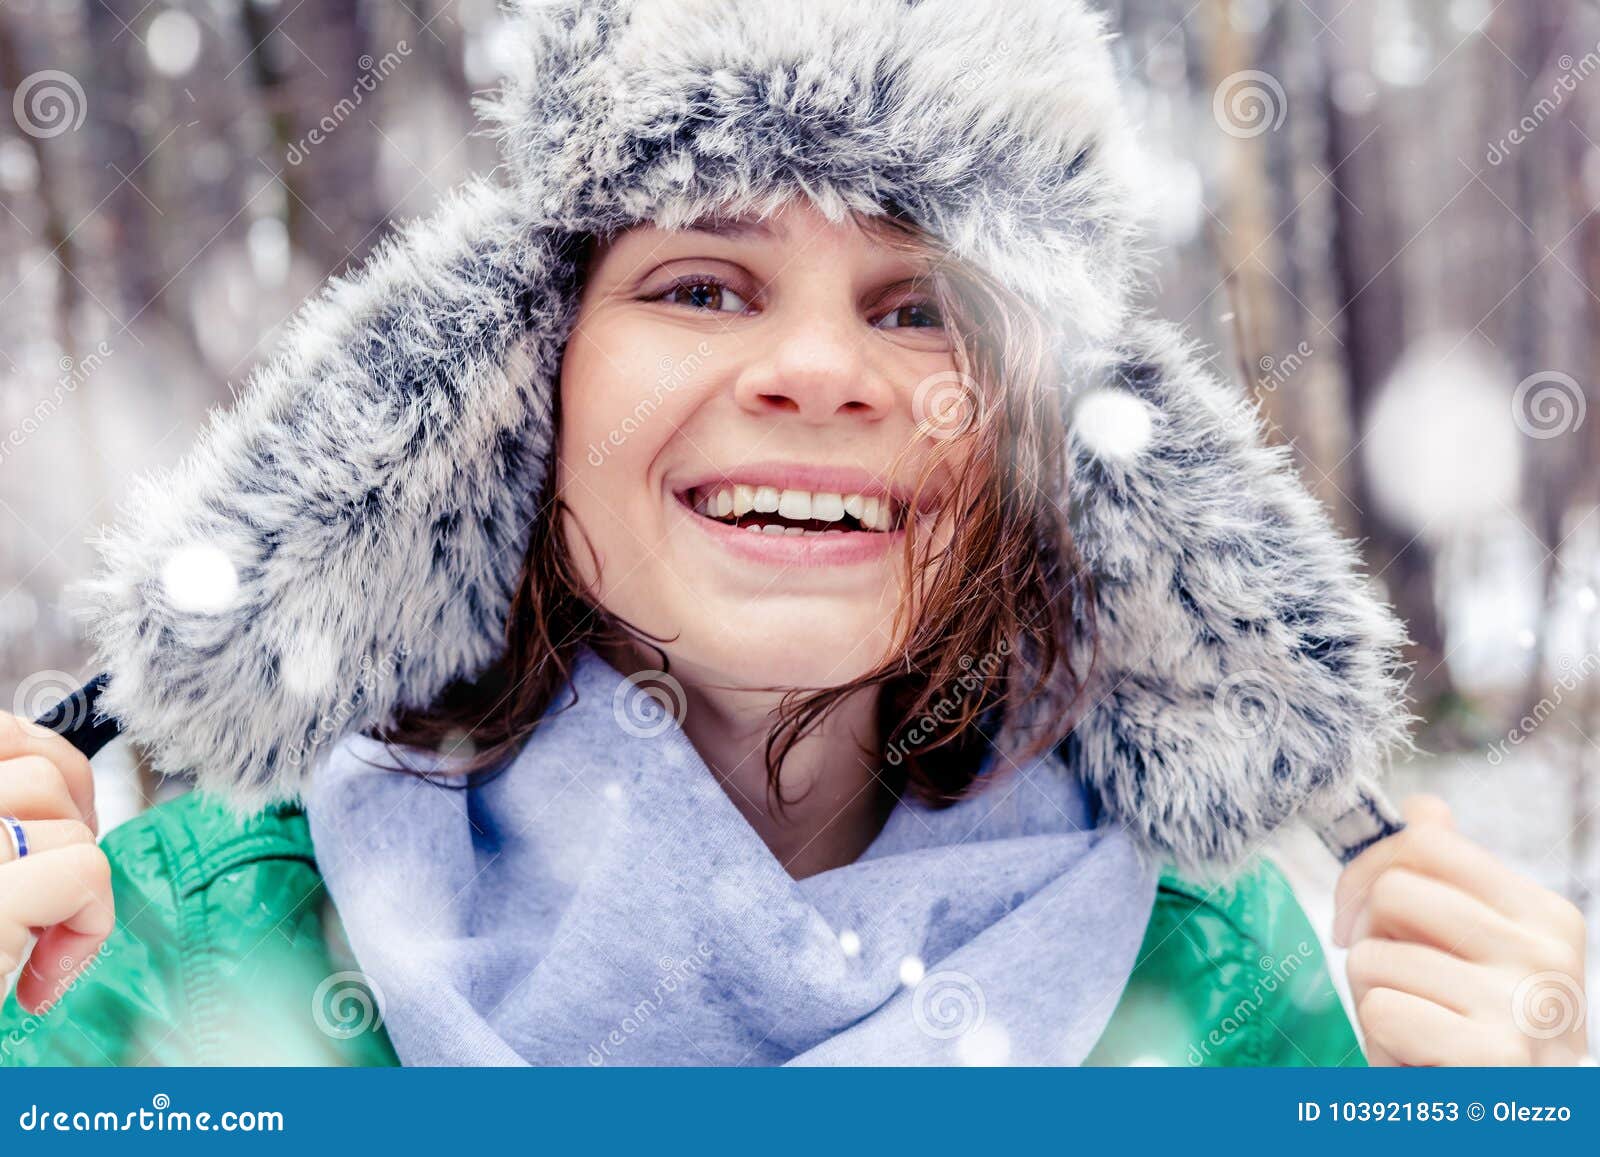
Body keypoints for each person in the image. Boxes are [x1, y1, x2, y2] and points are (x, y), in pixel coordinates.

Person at [0, 0, 1589, 1067]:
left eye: (922, 307)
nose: (822, 371)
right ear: (520, 382)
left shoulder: (1214, 988)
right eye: (703, 283)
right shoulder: (171, 956)